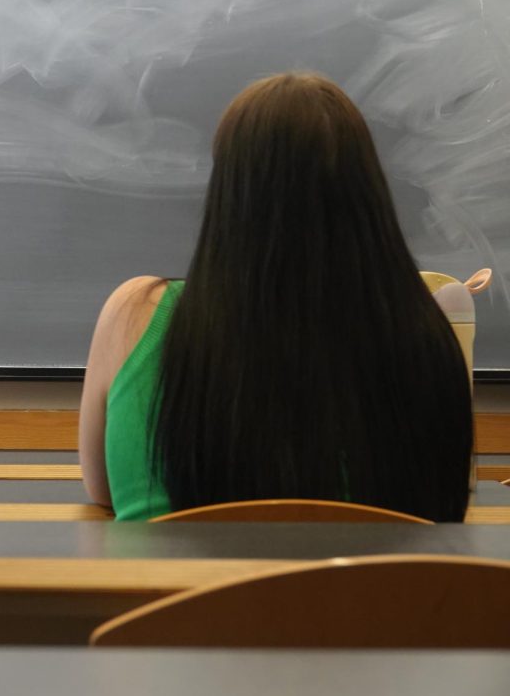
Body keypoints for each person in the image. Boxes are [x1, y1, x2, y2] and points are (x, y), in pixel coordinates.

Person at [78, 72, 472, 522]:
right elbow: (444, 508)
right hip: (366, 595)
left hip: (179, 594)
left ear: (229, 190)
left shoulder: (136, 314)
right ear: (367, 191)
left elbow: (102, 490)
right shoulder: (426, 333)